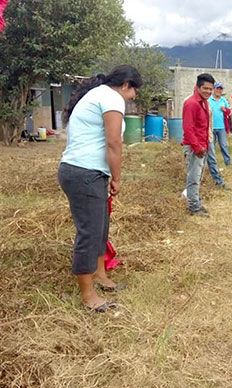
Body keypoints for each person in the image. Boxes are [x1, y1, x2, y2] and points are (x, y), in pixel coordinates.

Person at [58, 65, 142, 312]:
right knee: (90, 232)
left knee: (101, 227)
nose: (133, 97)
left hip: (89, 173)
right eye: (134, 91)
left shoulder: (99, 95)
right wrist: (117, 177)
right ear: (126, 84)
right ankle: (88, 295)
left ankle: (100, 275)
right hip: (85, 173)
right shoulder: (111, 97)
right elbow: (114, 142)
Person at [182, 73, 215, 217]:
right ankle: (193, 207)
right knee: (193, 178)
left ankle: (195, 202)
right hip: (195, 147)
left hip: (203, 145)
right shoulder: (191, 103)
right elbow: (188, 128)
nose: (208, 91)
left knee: (198, 176)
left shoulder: (204, 102)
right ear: (197, 87)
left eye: (210, 89)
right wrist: (197, 147)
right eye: (205, 88)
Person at [208, 82, 232, 166]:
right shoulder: (208, 100)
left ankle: (228, 162)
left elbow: (229, 112)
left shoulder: (223, 100)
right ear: (214, 89)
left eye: (220, 89)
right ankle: (212, 163)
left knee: (224, 145)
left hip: (222, 127)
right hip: (211, 127)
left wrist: (225, 110)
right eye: (217, 88)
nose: (219, 90)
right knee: (211, 146)